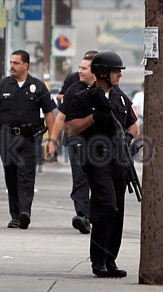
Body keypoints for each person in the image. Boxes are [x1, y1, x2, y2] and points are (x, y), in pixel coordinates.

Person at [65, 51, 138, 277]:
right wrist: (94, 117)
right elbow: (72, 128)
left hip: (118, 160)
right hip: (96, 158)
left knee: (117, 211)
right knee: (105, 205)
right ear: (103, 73)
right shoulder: (84, 97)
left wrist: (127, 138)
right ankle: (98, 261)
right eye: (116, 71)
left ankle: (110, 260)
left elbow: (133, 126)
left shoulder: (121, 98)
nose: (119, 76)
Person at [0, 50, 55, 229]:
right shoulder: (3, 85)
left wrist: (52, 140)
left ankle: (24, 212)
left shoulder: (38, 86)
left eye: (16, 63)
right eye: (11, 63)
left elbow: (49, 113)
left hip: (29, 138)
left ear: (25, 65)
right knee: (11, 176)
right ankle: (15, 215)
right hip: (7, 138)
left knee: (26, 176)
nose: (12, 66)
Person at [47, 53, 97, 234]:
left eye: (84, 68)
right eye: (80, 67)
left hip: (99, 144)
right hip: (77, 141)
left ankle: (93, 214)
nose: (79, 72)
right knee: (80, 178)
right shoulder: (73, 89)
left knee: (98, 180)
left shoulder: (106, 90)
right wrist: (53, 140)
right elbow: (61, 117)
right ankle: (82, 216)